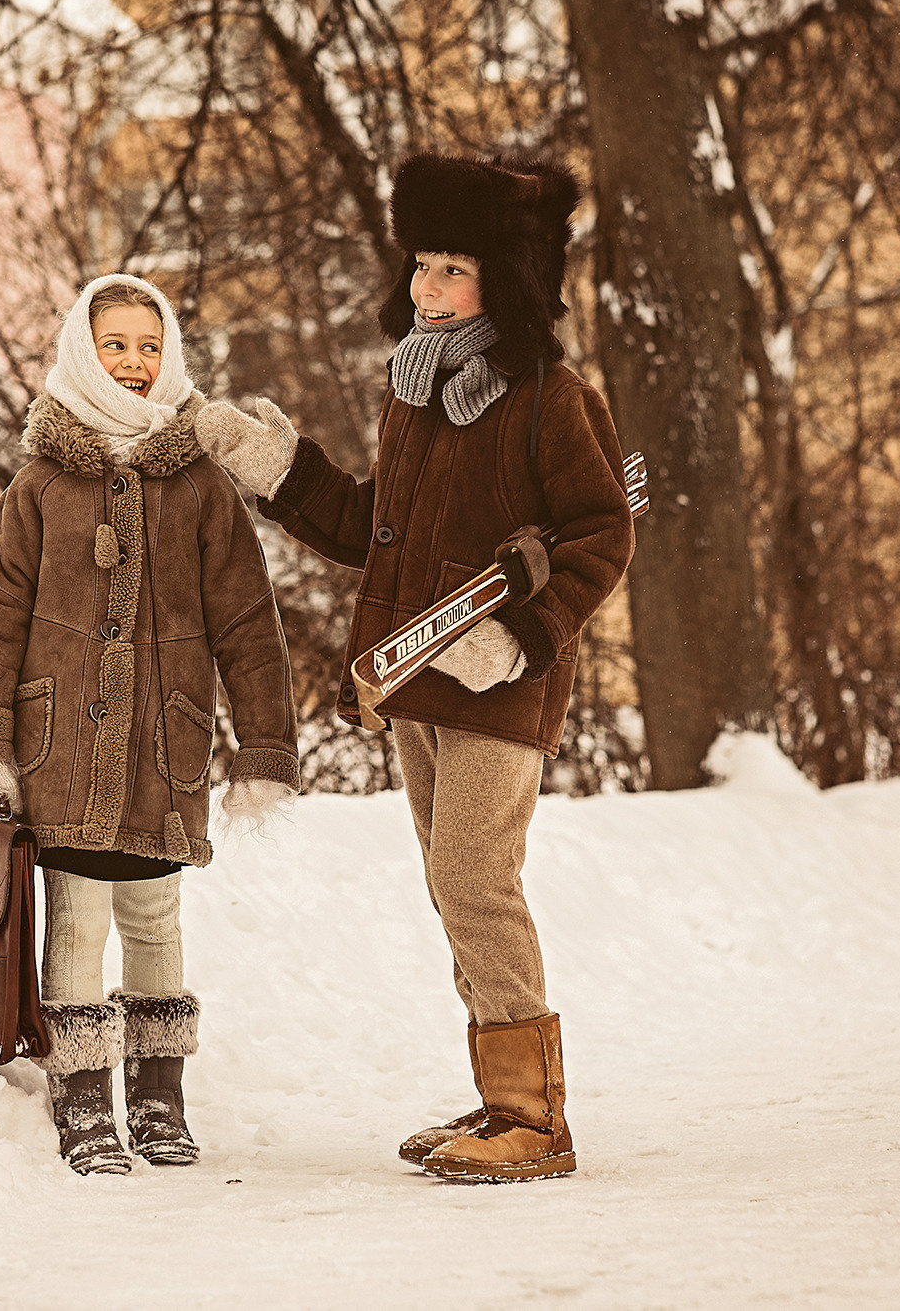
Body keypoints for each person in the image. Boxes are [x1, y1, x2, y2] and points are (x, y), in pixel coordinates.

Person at [195, 153, 636, 1182]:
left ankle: (535, 1118)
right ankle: (498, 1104)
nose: (425, 290)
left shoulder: (546, 396)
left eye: (452, 270)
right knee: (453, 886)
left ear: (506, 280)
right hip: (415, 683)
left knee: (473, 876)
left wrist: (524, 634)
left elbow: (601, 533)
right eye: (420, 266)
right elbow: (372, 532)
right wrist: (279, 470)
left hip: (499, 682)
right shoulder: (414, 394)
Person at [0, 274, 299, 1175]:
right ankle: (84, 1099)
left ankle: (158, 1095)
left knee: (154, 913)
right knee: (78, 920)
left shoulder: (200, 485)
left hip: (161, 745)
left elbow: (249, 620)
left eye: (150, 346)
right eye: (117, 345)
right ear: (80, 351)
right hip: (60, 746)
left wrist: (264, 746)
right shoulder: (42, 483)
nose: (135, 363)